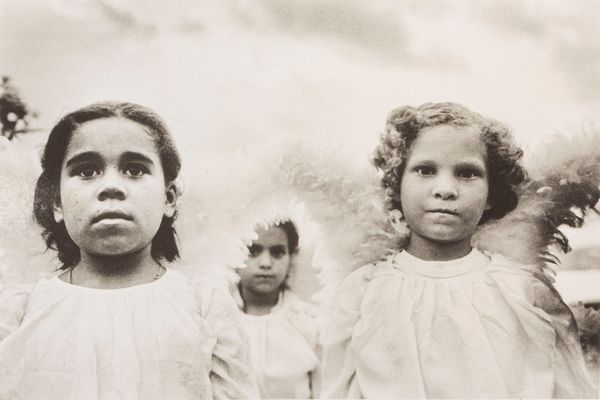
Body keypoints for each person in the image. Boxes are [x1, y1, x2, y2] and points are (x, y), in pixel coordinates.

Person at [321, 102, 595, 398]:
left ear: (492, 193)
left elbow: (568, 388)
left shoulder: (521, 290)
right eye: (425, 170)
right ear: (397, 184)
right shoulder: (363, 292)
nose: (446, 189)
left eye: (467, 173)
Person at [0, 102, 258, 399]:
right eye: (86, 171)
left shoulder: (203, 305)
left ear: (168, 198)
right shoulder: (20, 310)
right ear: (57, 201)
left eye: (134, 170)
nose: (111, 186)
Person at [236, 220, 321, 398]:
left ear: (291, 257)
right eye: (253, 250)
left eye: (277, 253)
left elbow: (324, 390)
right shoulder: (219, 319)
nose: (266, 263)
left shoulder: (309, 322)